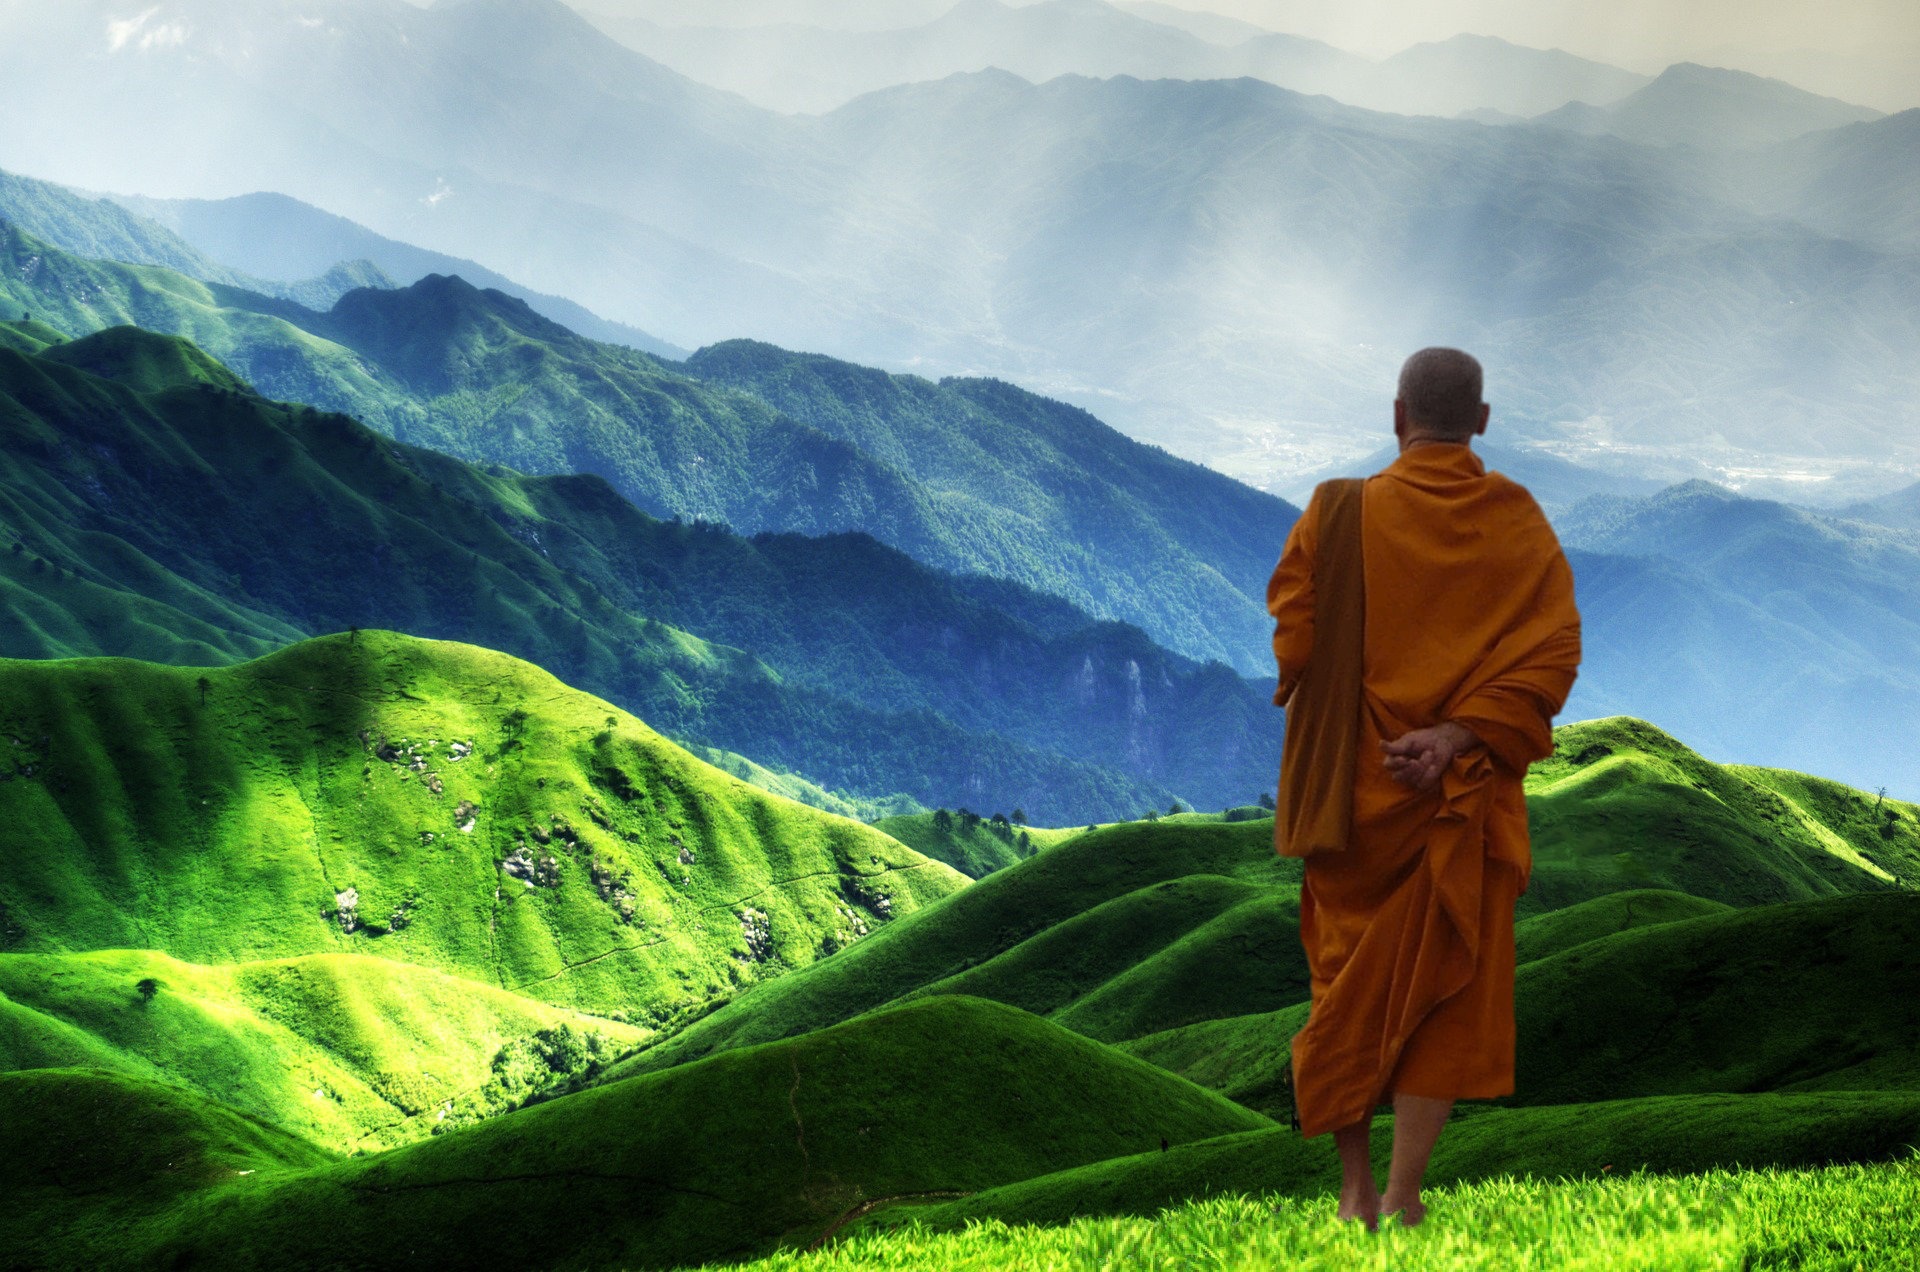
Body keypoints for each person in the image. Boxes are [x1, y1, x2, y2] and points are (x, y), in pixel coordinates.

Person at [1266, 347, 1582, 1231]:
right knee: (1444, 990)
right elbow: (1553, 653)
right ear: (1481, 420)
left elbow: (1295, 647)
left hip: (1355, 799)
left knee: (1346, 987)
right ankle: (1407, 1195)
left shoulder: (1338, 513)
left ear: (1397, 414)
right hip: (1460, 794)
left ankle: (1356, 1191)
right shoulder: (1515, 518)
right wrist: (1451, 737)